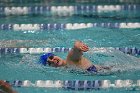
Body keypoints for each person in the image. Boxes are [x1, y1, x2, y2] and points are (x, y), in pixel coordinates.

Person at [40, 40, 111, 73]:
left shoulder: (69, 59)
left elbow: (75, 47)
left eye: (51, 57)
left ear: (56, 55)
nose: (53, 60)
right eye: (49, 63)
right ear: (51, 67)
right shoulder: (66, 68)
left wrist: (78, 46)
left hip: (109, 71)